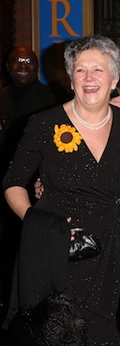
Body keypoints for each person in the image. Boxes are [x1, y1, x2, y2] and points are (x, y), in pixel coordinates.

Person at [3, 35, 120, 345]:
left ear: (114, 79)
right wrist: (39, 223)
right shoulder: (44, 124)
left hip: (107, 250)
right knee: (54, 333)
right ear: (70, 78)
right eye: (80, 69)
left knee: (101, 332)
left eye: (99, 70)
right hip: (53, 249)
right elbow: (11, 183)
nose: (89, 78)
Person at [0, 47, 59, 312]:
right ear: (7, 66)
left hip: (33, 185)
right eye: (17, 61)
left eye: (29, 61)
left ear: (36, 67)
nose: (23, 65)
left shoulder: (52, 98)